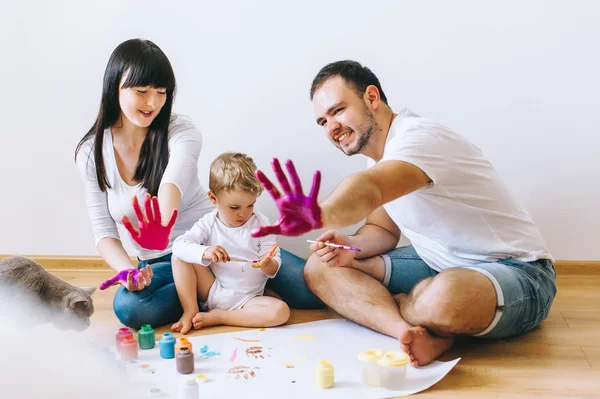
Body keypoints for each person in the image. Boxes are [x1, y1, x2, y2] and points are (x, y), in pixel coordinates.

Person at [251, 60, 557, 368]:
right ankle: (410, 331)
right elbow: (382, 231)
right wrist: (349, 246)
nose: (332, 127)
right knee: (320, 266)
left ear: (372, 97)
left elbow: (371, 188)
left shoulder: (419, 138)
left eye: (338, 111)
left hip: (519, 272)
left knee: (442, 298)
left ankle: (408, 305)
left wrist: (320, 214)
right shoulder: (380, 159)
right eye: (322, 121)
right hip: (439, 265)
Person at [74, 39, 320, 330]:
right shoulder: (91, 152)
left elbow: (172, 183)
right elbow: (103, 231)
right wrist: (129, 272)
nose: (152, 102)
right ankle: (226, 299)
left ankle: (225, 297)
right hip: (166, 262)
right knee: (129, 308)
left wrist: (163, 224)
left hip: (224, 241)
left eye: (161, 92)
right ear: (115, 86)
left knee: (312, 291)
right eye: (141, 91)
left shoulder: (182, 132)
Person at [171, 152, 290, 334]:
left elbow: (273, 266)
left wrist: (268, 264)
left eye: (250, 205)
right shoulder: (209, 222)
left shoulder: (262, 224)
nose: (243, 214)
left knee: (281, 312)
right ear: (213, 199)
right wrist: (206, 251)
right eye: (234, 208)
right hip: (212, 289)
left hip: (248, 299)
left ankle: (220, 317)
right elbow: (180, 245)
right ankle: (190, 310)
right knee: (178, 256)